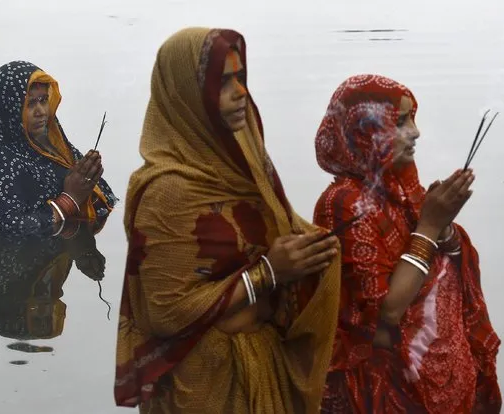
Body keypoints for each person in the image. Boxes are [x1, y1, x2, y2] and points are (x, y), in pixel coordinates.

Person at [114, 28, 342, 413]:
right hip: (203, 384)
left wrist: (313, 249)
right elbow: (166, 314)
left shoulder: (242, 170)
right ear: (187, 96)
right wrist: (268, 272)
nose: (240, 92)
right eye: (223, 82)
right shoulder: (166, 192)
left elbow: (276, 235)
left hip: (262, 365)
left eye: (241, 78)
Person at [313, 74, 501, 413]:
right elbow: (386, 312)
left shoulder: (402, 189)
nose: (415, 132)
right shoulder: (342, 203)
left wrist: (443, 227)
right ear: (364, 130)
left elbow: (450, 261)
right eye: (400, 121)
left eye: (413, 118)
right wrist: (430, 225)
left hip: (431, 377)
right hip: (376, 388)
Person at [0, 61, 117, 237]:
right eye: (30, 103)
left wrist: (88, 186)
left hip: (63, 251)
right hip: (22, 259)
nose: (40, 111)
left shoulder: (54, 148)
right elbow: (10, 228)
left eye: (43, 100)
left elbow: (109, 199)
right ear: (10, 108)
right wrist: (69, 200)